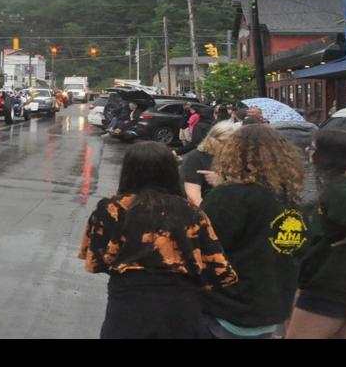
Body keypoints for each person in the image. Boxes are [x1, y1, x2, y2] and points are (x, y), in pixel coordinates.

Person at [80, 141, 238, 339]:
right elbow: (220, 271)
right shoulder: (191, 212)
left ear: (127, 171)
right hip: (181, 311)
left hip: (126, 309)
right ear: (171, 172)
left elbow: (94, 262)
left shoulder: (110, 209)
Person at [199, 124, 310, 339]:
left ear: (232, 155)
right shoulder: (290, 201)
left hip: (227, 308)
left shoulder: (229, 196)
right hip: (270, 310)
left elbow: (201, 246)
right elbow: (300, 250)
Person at [289, 129, 346, 339]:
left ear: (330, 156)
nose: (309, 152)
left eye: (313, 148)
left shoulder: (343, 188)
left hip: (331, 285)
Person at [179, 120, 238, 206]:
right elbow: (193, 197)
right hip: (207, 207)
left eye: (231, 144)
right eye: (222, 141)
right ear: (211, 138)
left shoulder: (234, 158)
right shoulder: (195, 158)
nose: (226, 146)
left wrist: (222, 181)